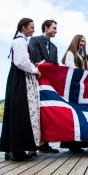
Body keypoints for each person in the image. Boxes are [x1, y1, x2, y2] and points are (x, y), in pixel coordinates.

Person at [0, 18, 41, 161]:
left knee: (21, 112)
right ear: (23, 27)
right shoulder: (19, 41)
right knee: (19, 111)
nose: (34, 30)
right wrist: (35, 70)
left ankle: (17, 148)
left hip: (20, 76)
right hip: (20, 77)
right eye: (31, 27)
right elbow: (21, 62)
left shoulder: (21, 41)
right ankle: (13, 149)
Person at [60, 34, 88, 153]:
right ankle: (72, 144)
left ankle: (80, 143)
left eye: (84, 42)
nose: (83, 44)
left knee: (82, 115)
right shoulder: (71, 53)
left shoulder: (83, 56)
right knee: (73, 115)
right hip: (73, 88)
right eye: (81, 41)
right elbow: (71, 68)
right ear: (76, 41)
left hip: (81, 88)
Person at [29, 19, 59, 154]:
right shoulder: (34, 41)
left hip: (48, 84)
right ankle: (32, 145)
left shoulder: (54, 48)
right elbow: (36, 59)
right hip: (36, 80)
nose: (56, 31)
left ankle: (45, 143)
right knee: (34, 111)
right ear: (46, 28)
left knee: (47, 110)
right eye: (54, 28)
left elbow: (56, 65)